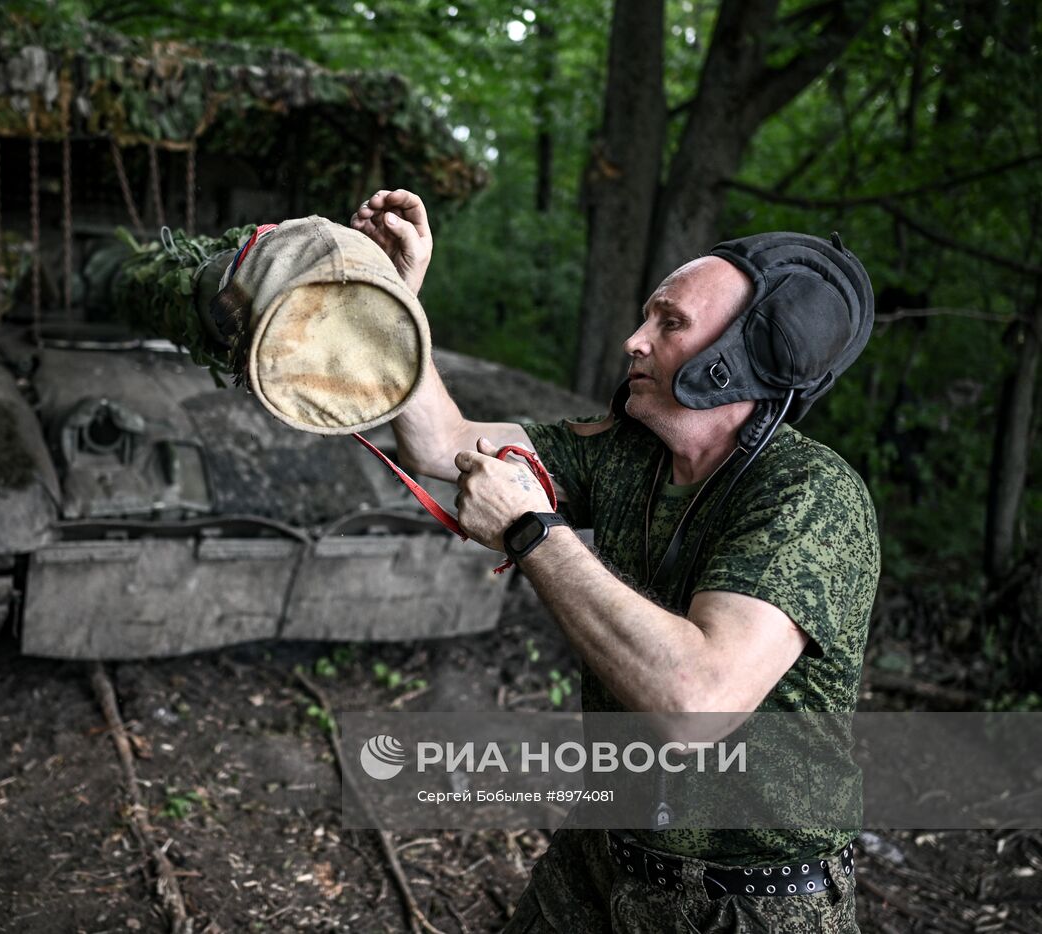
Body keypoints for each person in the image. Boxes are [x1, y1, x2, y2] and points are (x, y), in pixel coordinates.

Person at [352, 189, 879, 933]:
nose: (634, 340)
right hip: (604, 848)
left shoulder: (810, 495)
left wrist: (532, 532)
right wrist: (396, 301)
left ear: (739, 359)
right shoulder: (628, 452)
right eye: (644, 317)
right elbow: (443, 443)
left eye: (668, 323)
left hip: (749, 900)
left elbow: (697, 704)